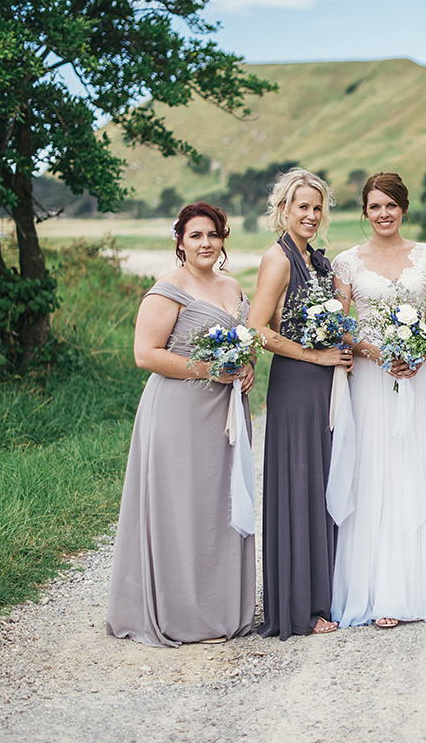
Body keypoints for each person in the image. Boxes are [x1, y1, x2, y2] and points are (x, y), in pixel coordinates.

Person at [106, 201, 257, 647]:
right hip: (179, 411)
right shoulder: (168, 288)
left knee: (219, 504)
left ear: (222, 239)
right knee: (181, 507)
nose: (206, 243)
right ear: (180, 241)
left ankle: (219, 608)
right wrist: (211, 371)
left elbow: (244, 341)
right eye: (196, 236)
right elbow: (146, 355)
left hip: (226, 412)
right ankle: (178, 612)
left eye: (212, 234)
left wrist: (247, 365)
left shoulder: (231, 286)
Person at [329, 172, 426, 628]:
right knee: (371, 472)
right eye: (374, 206)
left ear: (404, 209)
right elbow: (341, 325)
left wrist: (419, 353)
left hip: (416, 378)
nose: (383, 214)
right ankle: (374, 592)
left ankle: (414, 591)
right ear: (364, 212)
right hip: (368, 377)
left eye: (391, 205)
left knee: (411, 469)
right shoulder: (346, 262)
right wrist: (374, 352)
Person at [247, 168, 353, 640]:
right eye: (301, 207)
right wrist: (316, 355)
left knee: (325, 483)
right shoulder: (279, 259)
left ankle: (323, 595)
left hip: (326, 381)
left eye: (317, 207)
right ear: (283, 210)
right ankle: (297, 608)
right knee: (300, 485)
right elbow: (259, 329)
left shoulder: (317, 260)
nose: (310, 215)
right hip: (296, 384)